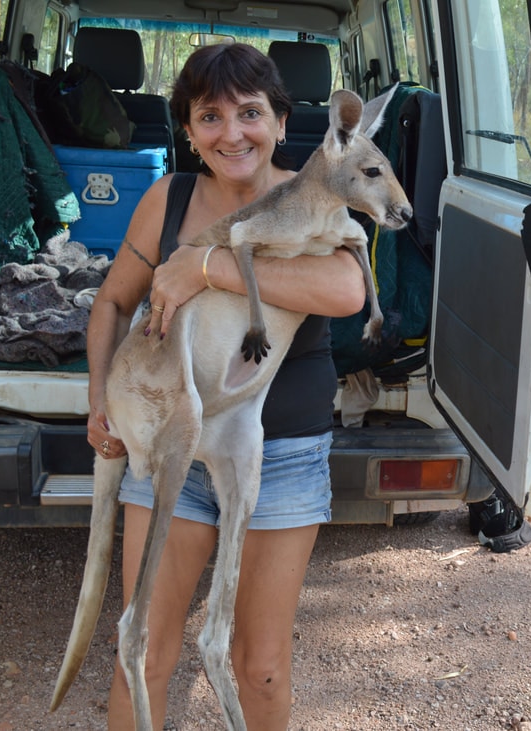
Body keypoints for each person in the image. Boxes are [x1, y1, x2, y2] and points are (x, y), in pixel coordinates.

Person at [85, 42, 366, 730]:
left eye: (249, 113)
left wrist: (210, 267)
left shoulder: (315, 190)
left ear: (279, 120)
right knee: (146, 650)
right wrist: (100, 399)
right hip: (168, 446)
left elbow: (346, 287)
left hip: (281, 453)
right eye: (210, 116)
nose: (231, 133)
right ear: (186, 129)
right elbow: (112, 303)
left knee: (260, 665)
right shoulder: (169, 198)